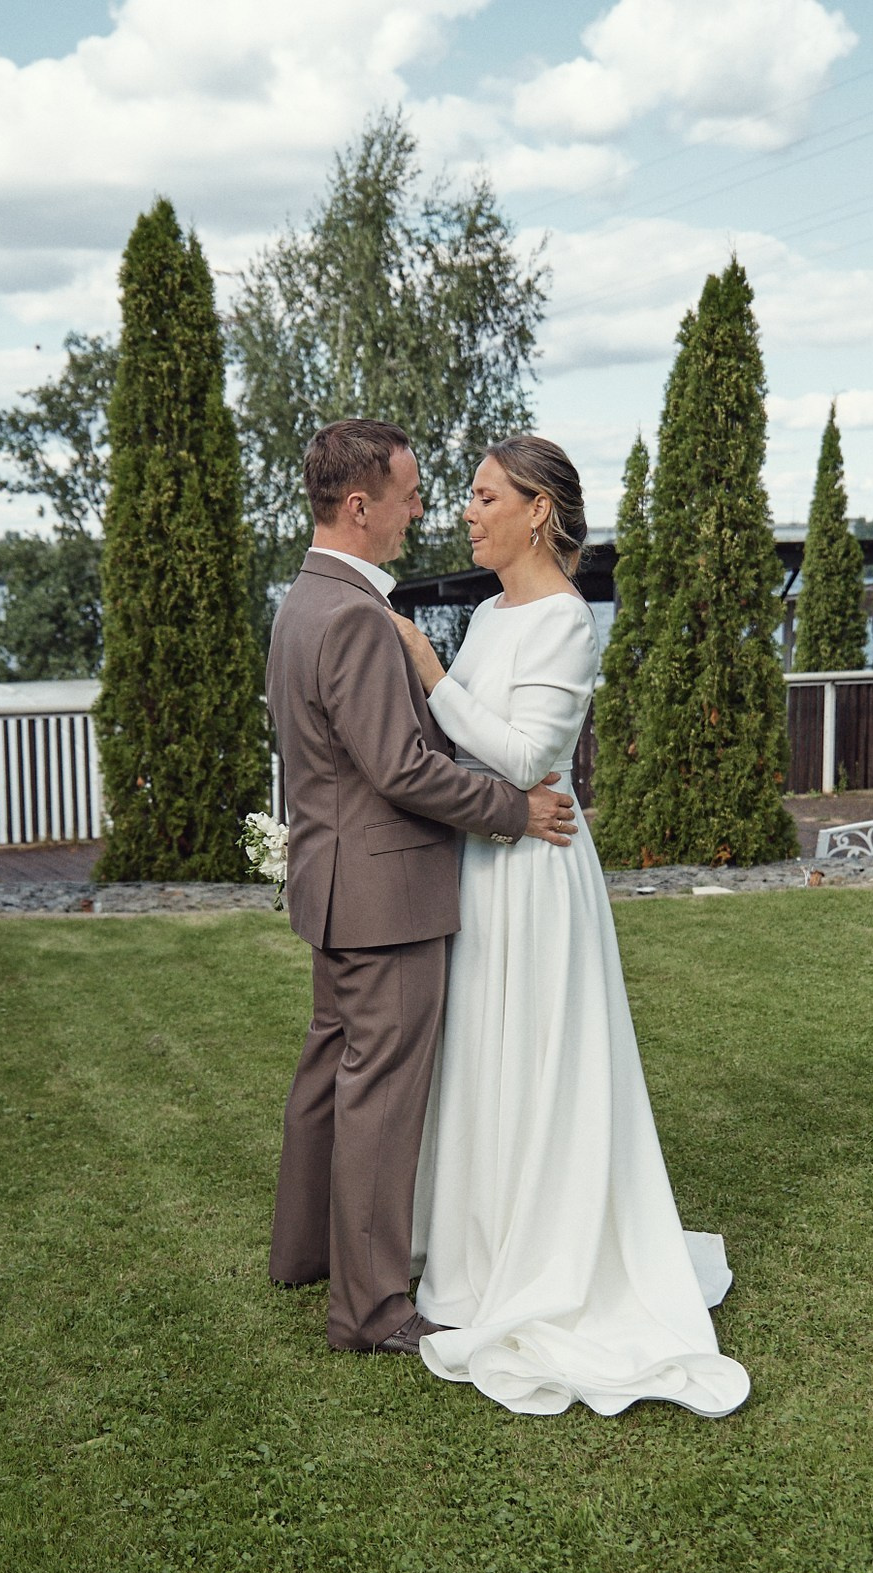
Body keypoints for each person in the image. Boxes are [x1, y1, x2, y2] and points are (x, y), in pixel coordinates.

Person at [386, 435, 753, 1417]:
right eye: (466, 496)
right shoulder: (494, 613)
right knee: (482, 1056)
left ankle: (545, 1257)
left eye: (483, 496)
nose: (466, 512)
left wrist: (424, 662)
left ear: (536, 509)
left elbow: (521, 752)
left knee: (534, 1056)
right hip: (486, 854)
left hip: (534, 873)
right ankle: (476, 1244)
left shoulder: (561, 621)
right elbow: (472, 754)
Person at [265, 419, 580, 1354]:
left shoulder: (301, 602)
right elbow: (401, 770)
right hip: (386, 893)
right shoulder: (358, 617)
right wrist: (512, 812)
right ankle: (368, 1309)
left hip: (330, 882)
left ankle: (303, 1252)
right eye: (407, 493)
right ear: (359, 505)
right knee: (379, 1092)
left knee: (330, 1069)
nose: (421, 510)